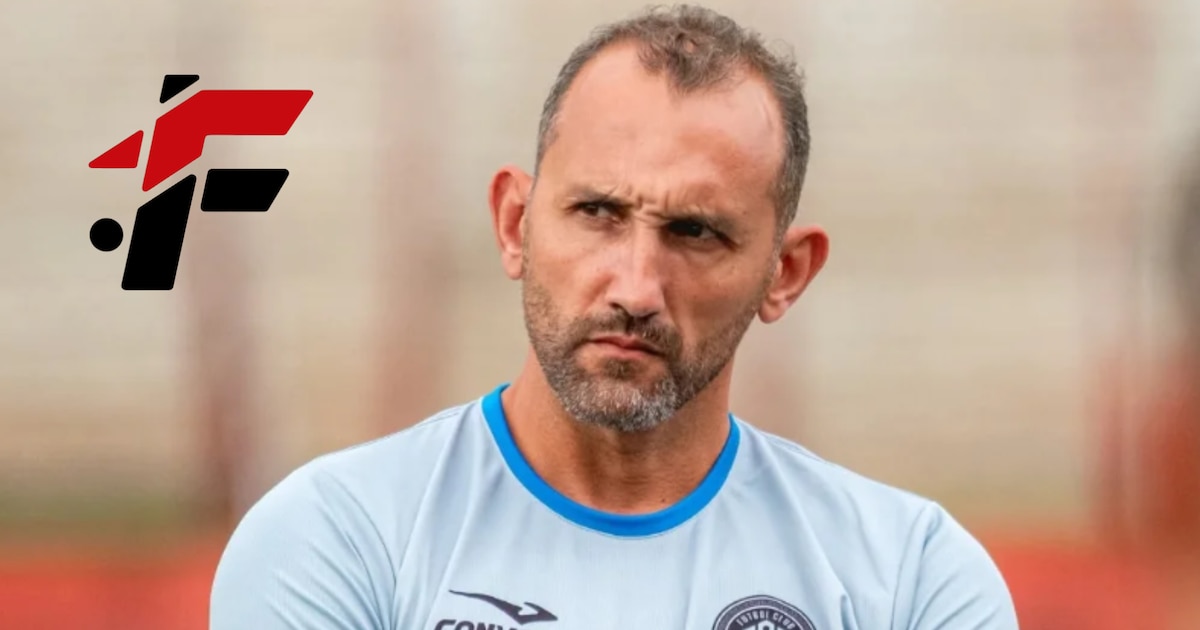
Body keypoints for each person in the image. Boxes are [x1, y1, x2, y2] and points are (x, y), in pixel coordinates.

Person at [209, 5, 1018, 629]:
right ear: (514, 224)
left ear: (786, 273)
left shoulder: (910, 577)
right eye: (597, 212)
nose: (635, 287)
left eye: (695, 232)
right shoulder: (338, 539)